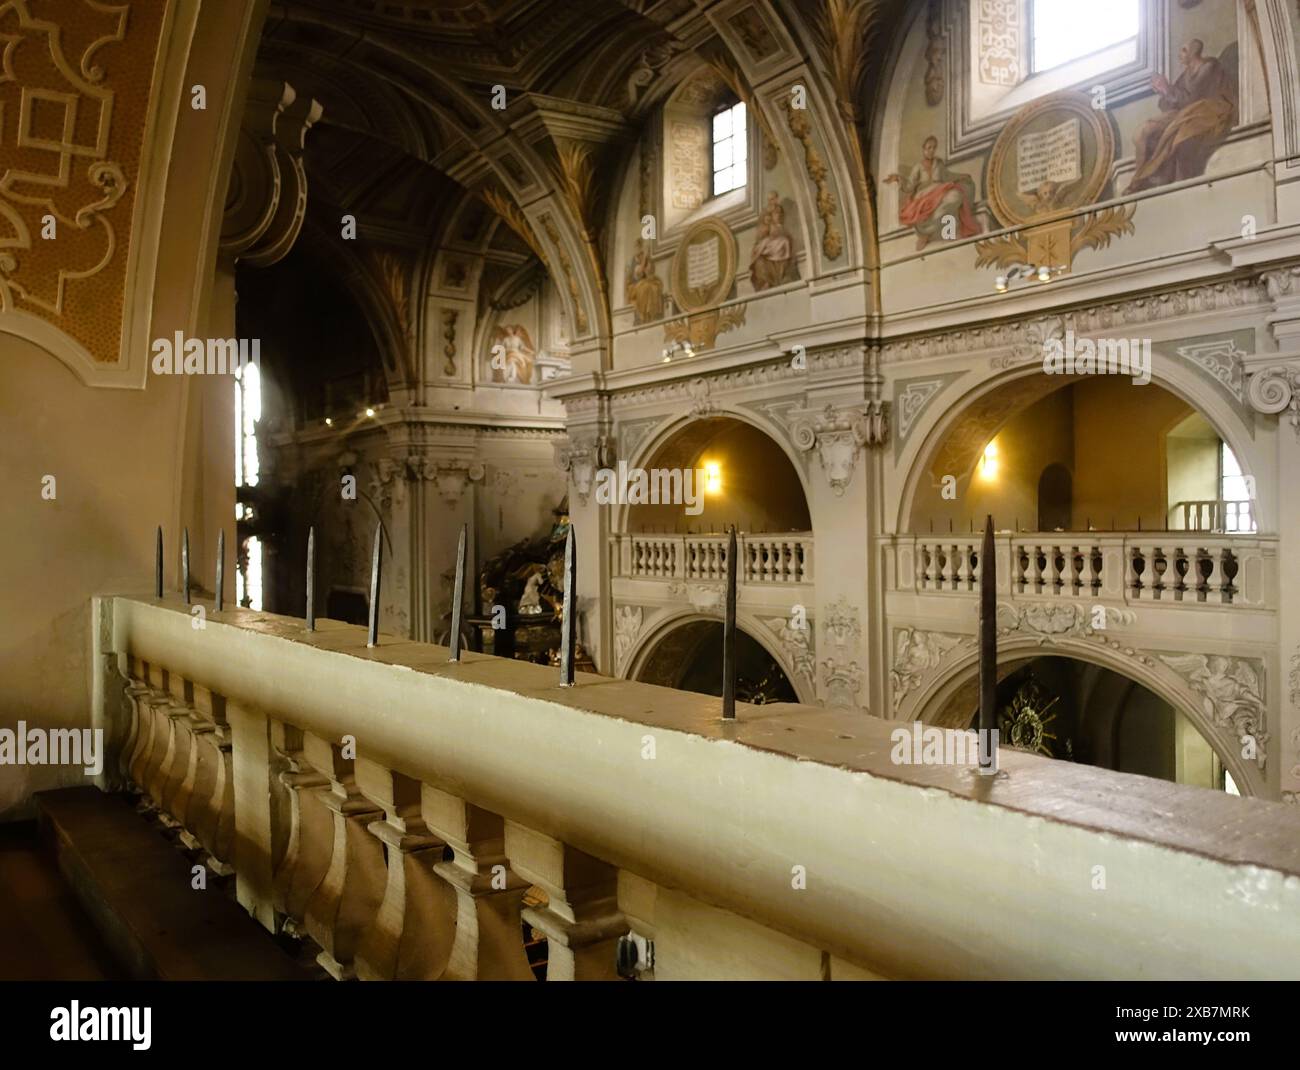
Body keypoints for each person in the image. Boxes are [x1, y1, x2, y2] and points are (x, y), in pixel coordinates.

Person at [1128, 39, 1236, 193]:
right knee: (1145, 131)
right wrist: (1163, 91)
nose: (1180, 54)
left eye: (1184, 50)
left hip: (1210, 110)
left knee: (1181, 138)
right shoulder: (1185, 75)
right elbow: (1172, 104)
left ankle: (1174, 183)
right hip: (1188, 112)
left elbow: (1194, 99)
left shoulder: (1209, 66)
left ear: (1193, 52)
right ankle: (1141, 179)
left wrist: (1168, 89)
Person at [884, 135, 982, 250]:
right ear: (923, 149)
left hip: (941, 191)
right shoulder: (918, 167)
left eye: (933, 148)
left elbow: (948, 176)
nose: (931, 150)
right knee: (931, 206)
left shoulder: (939, 163)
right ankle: (926, 233)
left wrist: (962, 176)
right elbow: (909, 186)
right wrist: (898, 179)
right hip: (924, 196)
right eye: (929, 148)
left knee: (956, 195)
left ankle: (947, 231)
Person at [749, 192, 794, 290]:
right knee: (761, 251)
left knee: (784, 242)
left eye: (774, 199)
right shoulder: (765, 212)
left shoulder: (778, 210)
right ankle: (766, 281)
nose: (772, 201)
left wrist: (775, 227)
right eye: (770, 199)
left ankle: (781, 275)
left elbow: (779, 226)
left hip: (776, 239)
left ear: (776, 199)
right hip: (767, 240)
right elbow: (762, 229)